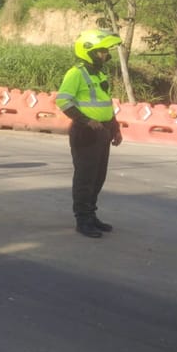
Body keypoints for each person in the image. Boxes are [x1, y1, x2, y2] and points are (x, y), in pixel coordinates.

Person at [56, 29, 124, 239]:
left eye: (105, 51)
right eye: (101, 51)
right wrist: (87, 120)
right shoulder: (76, 73)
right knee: (85, 178)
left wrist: (115, 127)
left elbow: (105, 103)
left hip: (102, 132)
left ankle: (91, 215)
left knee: (98, 177)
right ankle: (82, 220)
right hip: (85, 132)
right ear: (88, 52)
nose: (105, 55)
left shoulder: (100, 74)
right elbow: (63, 101)